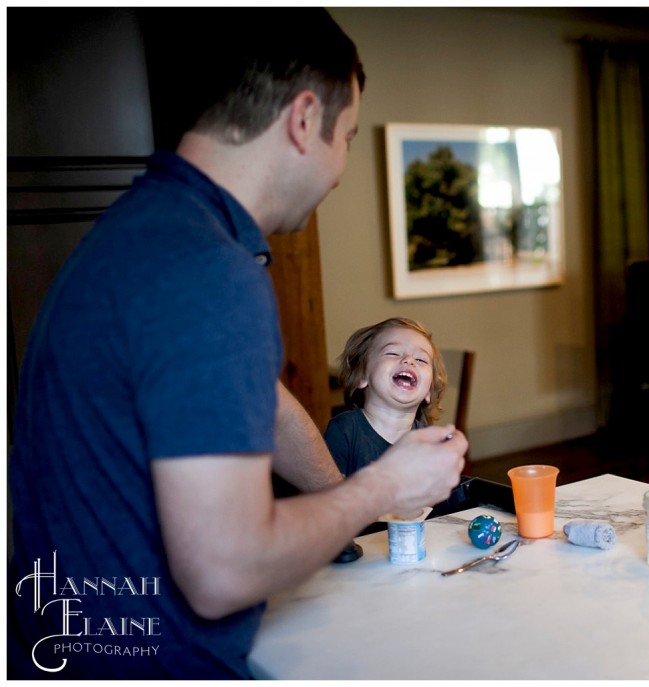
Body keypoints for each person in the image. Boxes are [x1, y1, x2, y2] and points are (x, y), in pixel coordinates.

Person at [8, 9, 465, 679]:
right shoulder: (210, 272)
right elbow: (224, 570)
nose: (339, 171)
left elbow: (261, 398)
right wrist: (380, 486)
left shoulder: (145, 230)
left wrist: (344, 489)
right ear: (304, 119)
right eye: (346, 138)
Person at [325, 317, 448, 477]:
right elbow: (329, 496)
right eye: (393, 353)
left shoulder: (430, 443)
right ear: (362, 375)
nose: (409, 360)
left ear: (428, 392)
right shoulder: (343, 432)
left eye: (420, 359)